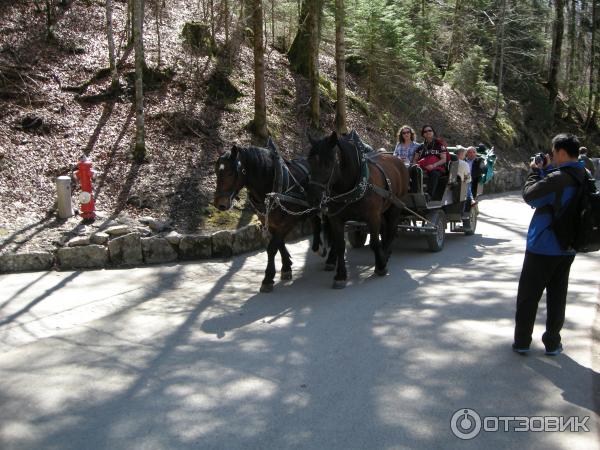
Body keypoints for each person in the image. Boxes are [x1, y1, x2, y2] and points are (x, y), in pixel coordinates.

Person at [513, 133, 594, 356]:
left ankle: (522, 342)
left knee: (529, 296)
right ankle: (552, 343)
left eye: (553, 152)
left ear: (560, 152)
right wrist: (547, 171)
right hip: (569, 246)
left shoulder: (557, 178)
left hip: (543, 246)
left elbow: (531, 196)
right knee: (558, 296)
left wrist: (534, 171)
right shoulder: (584, 174)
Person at [414, 125, 447, 198]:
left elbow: (444, 159)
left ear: (433, 132)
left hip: (437, 168)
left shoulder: (439, 144)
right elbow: (415, 159)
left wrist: (433, 165)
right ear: (423, 134)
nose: (428, 132)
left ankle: (429, 196)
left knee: (434, 173)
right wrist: (415, 166)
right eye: (425, 131)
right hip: (423, 167)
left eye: (430, 130)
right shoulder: (420, 147)